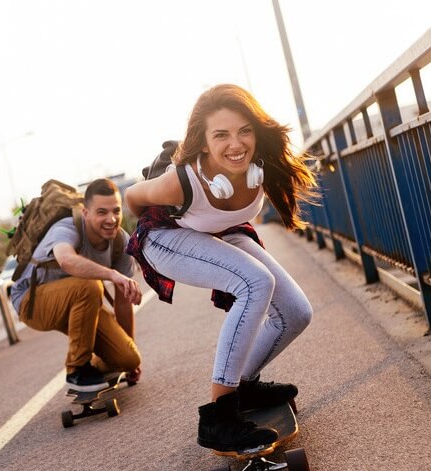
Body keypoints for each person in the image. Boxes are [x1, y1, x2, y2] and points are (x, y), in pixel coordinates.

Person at [124, 84, 317, 452]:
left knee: (295, 312)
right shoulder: (182, 181)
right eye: (221, 135)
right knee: (255, 282)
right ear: (204, 141)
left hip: (220, 232)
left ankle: (242, 385)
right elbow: (133, 198)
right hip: (165, 237)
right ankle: (220, 416)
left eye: (244, 131)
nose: (236, 144)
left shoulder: (261, 166)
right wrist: (170, 223)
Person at [9, 178, 143, 392]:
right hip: (31, 302)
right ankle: (77, 371)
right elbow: (66, 260)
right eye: (101, 212)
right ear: (86, 212)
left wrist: (128, 351)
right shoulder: (66, 227)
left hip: (80, 303)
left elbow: (124, 304)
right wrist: (112, 274)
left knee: (128, 358)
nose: (111, 219)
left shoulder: (120, 242)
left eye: (116, 211)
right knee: (88, 287)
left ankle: (96, 369)